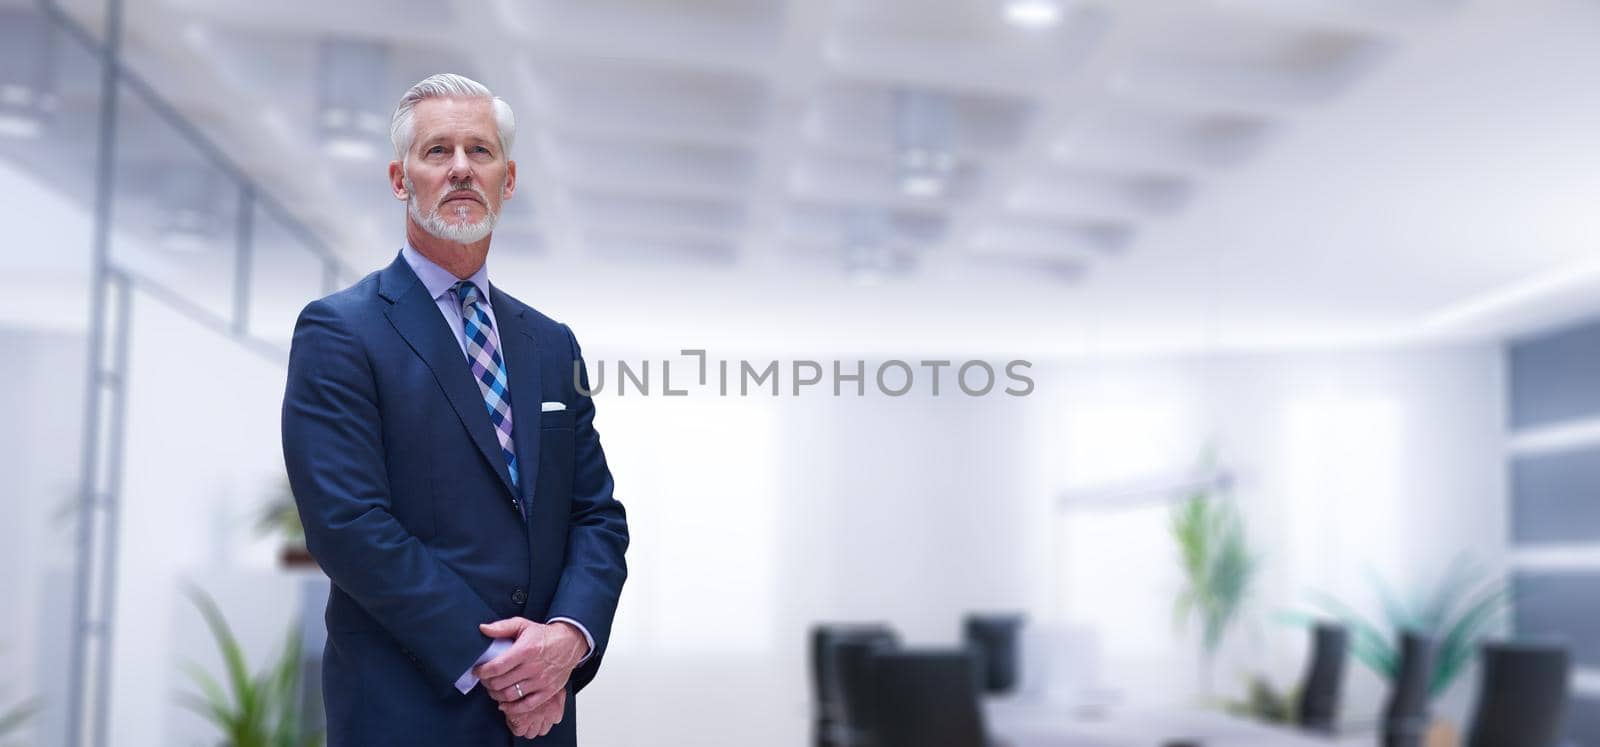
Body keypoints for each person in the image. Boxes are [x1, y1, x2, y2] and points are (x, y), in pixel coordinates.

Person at [281, 73, 629, 745]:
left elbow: (596, 515)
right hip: (407, 712)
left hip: (542, 719)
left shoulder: (551, 344)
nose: (462, 168)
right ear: (399, 178)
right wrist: (502, 665)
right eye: (438, 151)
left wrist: (566, 637)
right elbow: (350, 526)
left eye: (481, 150)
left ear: (509, 178)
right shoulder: (340, 332)